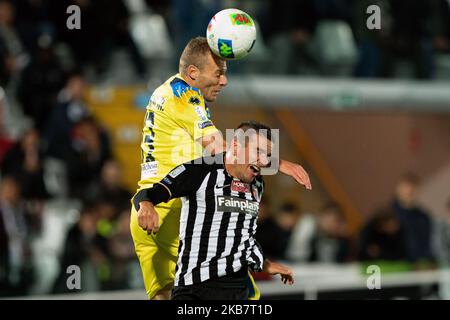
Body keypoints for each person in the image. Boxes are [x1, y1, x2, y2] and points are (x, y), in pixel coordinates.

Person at [129, 37, 310, 300]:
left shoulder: (166, 92)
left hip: (148, 212)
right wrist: (275, 161)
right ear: (193, 73)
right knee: (243, 294)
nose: (224, 81)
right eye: (219, 74)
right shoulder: (185, 96)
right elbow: (218, 146)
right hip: (178, 214)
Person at [134, 122, 294, 300]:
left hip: (237, 291)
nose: (264, 162)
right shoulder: (200, 171)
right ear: (236, 145)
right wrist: (146, 205)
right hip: (194, 290)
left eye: (268, 156)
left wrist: (265, 264)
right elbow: (147, 193)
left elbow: (244, 235)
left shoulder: (257, 184)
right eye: (258, 152)